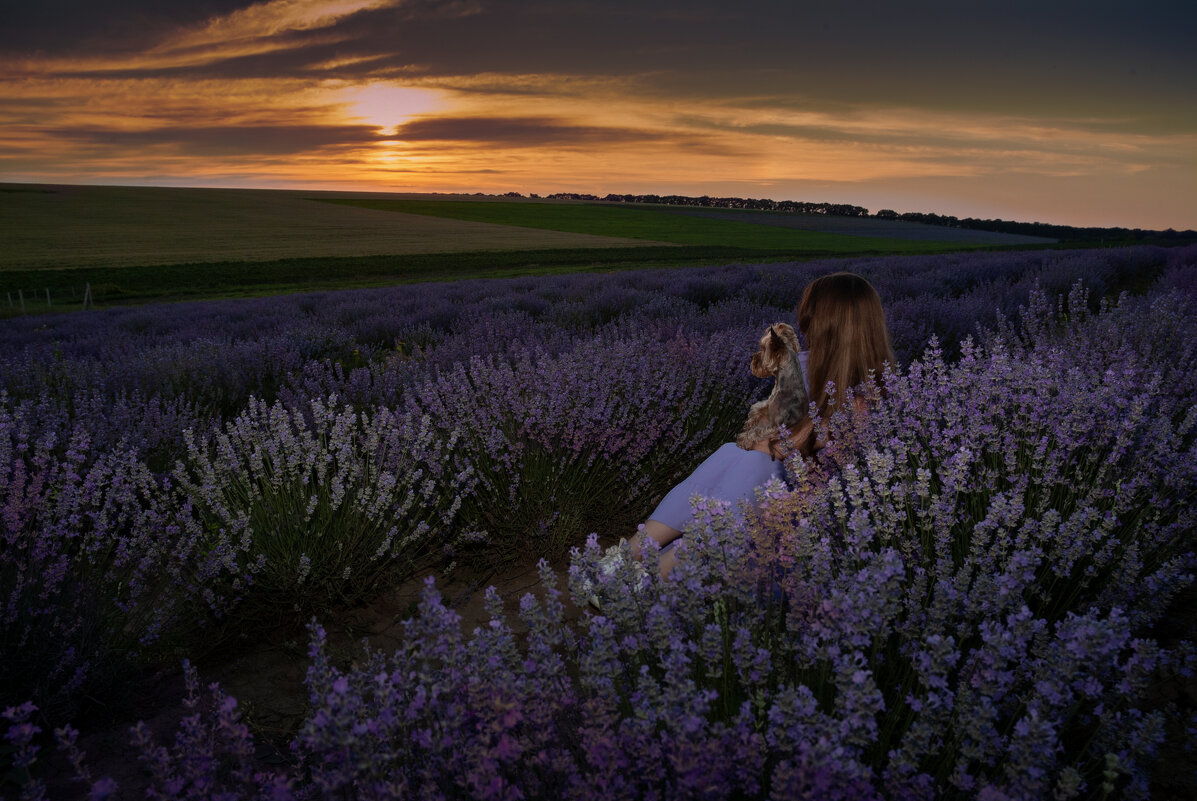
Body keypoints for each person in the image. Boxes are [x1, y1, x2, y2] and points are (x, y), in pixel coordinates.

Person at [632, 271, 895, 577]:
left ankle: (654, 569)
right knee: (737, 455)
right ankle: (633, 556)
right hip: (769, 490)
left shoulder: (869, 395)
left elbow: (793, 452)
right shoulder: (806, 364)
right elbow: (772, 436)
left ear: (819, 321)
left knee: (754, 465)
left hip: (816, 510)